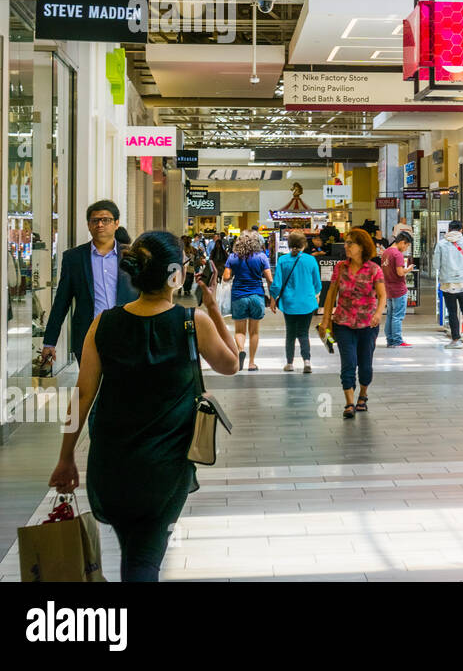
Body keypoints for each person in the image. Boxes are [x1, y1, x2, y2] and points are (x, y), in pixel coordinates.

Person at [48, 231, 238, 581]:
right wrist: (212, 308)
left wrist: (65, 457)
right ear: (175, 275)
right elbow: (231, 364)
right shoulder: (191, 322)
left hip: (111, 465)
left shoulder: (102, 324)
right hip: (165, 467)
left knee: (134, 554)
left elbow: (82, 395)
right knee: (143, 561)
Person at [41, 200, 139, 367]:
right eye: (95, 220)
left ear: (116, 223)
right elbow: (61, 302)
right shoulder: (74, 258)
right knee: (91, 389)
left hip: (127, 333)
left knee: (123, 387)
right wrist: (49, 342)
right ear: (88, 225)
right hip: (88, 336)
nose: (100, 224)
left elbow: (145, 294)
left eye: (106, 220)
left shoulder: (132, 255)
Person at [321, 228, 387, 419]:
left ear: (362, 247)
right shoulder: (340, 267)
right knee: (348, 363)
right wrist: (326, 320)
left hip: (368, 325)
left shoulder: (374, 269)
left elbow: (382, 295)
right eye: (346, 243)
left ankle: (363, 396)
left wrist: (378, 313)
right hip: (343, 323)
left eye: (351, 243)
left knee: (365, 365)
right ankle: (349, 402)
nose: (347, 246)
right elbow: (331, 294)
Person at [271, 230, 323, 373]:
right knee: (304, 333)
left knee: (290, 334)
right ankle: (307, 362)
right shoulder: (311, 260)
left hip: (289, 304)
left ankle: (289, 363)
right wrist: (315, 294)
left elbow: (276, 284)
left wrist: (272, 298)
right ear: (304, 245)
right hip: (307, 303)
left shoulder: (282, 260)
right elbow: (317, 283)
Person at [222, 229, 273, 372]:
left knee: (240, 330)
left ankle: (240, 350)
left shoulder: (232, 257)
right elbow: (269, 280)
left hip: (239, 296)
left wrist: (232, 273)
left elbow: (226, 277)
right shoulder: (262, 257)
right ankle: (251, 363)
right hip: (257, 295)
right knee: (254, 331)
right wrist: (273, 297)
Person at [434, 220, 463, 349]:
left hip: (447, 283)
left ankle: (456, 340)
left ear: (449, 229)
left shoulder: (441, 244)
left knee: (452, 311)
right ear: (461, 230)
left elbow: (436, 265)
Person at [380, 231, 413, 348]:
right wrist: (408, 269)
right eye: (407, 245)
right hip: (399, 289)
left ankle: (390, 340)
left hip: (388, 288)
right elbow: (400, 273)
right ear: (402, 242)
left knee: (390, 315)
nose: (406, 248)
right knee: (398, 316)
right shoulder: (397, 254)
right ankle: (397, 340)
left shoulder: (386, 252)